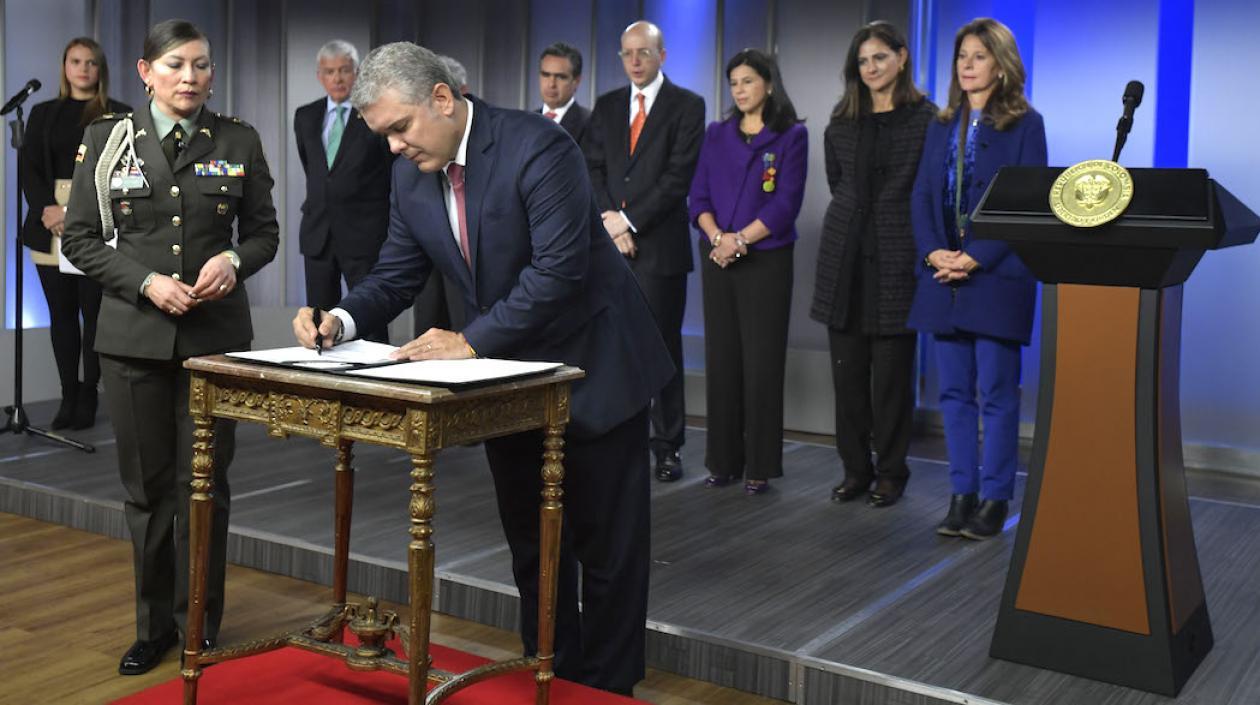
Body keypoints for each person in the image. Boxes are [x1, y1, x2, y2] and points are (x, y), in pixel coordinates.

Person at [291, 42, 672, 696]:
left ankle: (606, 690)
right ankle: (550, 675)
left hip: (597, 368)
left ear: (443, 98)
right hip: (508, 381)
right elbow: (395, 273)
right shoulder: (411, 173)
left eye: (399, 129)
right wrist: (340, 320)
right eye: (382, 135)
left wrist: (468, 340)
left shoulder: (537, 147)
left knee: (607, 553)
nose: (392, 148)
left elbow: (558, 273)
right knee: (533, 548)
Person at [61, 19, 279, 674]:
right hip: (132, 342)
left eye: (203, 66)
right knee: (148, 490)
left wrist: (236, 261)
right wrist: (146, 280)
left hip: (215, 343)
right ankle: (152, 625)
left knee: (204, 487)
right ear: (144, 71)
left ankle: (200, 622)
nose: (191, 78)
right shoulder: (107, 140)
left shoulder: (237, 138)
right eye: (178, 65)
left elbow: (265, 231)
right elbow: (79, 238)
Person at [907, 17, 1046, 539]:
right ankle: (961, 494)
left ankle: (993, 498)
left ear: (1001, 64)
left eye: (978, 56)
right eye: (962, 56)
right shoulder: (941, 122)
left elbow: (1028, 201)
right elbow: (921, 194)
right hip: (944, 275)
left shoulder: (1025, 124)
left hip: (997, 275)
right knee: (954, 395)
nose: (967, 65)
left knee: (996, 392)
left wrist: (976, 256)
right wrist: (934, 253)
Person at [811, 22, 936, 508]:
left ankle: (890, 471)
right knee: (848, 376)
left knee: (890, 379)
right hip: (844, 258)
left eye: (880, 58)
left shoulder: (927, 120)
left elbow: (926, 188)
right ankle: (855, 469)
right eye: (863, 61)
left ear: (902, 58)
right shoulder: (841, 122)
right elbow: (838, 180)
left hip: (896, 255)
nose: (871, 69)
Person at [583, 20, 705, 482]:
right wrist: (610, 221)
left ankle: (667, 445)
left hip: (660, 249)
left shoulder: (687, 106)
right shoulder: (609, 105)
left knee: (662, 347)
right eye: (627, 53)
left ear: (662, 56)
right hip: (610, 245)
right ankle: (619, 439)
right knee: (613, 346)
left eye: (644, 52)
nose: (635, 61)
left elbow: (678, 177)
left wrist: (629, 220)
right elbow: (591, 166)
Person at [687, 49, 806, 494]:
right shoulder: (717, 134)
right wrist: (719, 237)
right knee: (723, 361)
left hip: (766, 259)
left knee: (761, 363)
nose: (739, 90)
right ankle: (722, 461)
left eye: (748, 81)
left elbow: (785, 203)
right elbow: (697, 197)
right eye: (734, 82)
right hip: (717, 256)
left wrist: (740, 240)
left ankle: (759, 465)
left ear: (769, 85)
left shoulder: (791, 136)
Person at [19, 38, 130, 430]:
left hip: (97, 221)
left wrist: (84, 212)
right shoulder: (43, 113)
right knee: (61, 315)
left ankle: (88, 392)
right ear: (64, 66)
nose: (83, 69)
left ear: (102, 69)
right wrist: (47, 208)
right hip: (49, 221)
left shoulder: (120, 114)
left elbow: (126, 173)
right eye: (76, 61)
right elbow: (29, 167)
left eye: (92, 63)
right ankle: (68, 393)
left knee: (95, 315)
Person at [295, 39, 393, 343]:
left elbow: (389, 171)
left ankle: (377, 384)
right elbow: (317, 172)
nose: (337, 78)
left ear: (357, 72)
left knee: (369, 316)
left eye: (344, 71)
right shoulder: (305, 116)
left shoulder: (374, 115)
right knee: (318, 320)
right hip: (318, 233)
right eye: (329, 71)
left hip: (364, 234)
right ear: (319, 76)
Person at [538, 42, 590, 144]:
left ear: (576, 81)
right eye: (545, 75)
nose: (551, 84)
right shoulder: (527, 121)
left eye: (560, 77)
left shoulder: (589, 123)